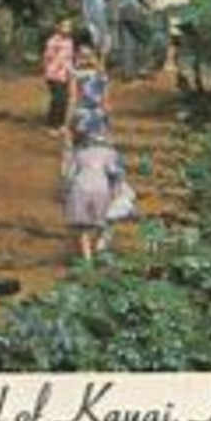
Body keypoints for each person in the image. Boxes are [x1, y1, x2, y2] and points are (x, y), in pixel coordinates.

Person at [61, 134, 125, 264]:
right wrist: (116, 189)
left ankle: (87, 260)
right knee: (103, 223)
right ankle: (100, 249)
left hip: (80, 188)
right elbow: (115, 173)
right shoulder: (110, 153)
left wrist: (65, 191)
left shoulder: (79, 153)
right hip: (101, 188)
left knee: (82, 227)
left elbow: (69, 175)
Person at [112, 0, 154, 81]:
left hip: (122, 12)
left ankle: (127, 74)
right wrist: (152, 6)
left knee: (127, 43)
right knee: (147, 38)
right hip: (134, 11)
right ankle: (143, 70)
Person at [64, 43, 113, 144]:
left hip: (85, 115)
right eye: (83, 56)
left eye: (87, 56)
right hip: (93, 115)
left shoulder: (76, 75)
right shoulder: (101, 76)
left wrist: (67, 124)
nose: (85, 60)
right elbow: (106, 103)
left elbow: (72, 99)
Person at [40, 19, 76, 130]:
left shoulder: (70, 41)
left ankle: (60, 123)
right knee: (58, 99)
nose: (67, 29)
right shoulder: (53, 41)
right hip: (54, 75)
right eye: (64, 26)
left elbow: (70, 58)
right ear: (58, 27)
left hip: (65, 74)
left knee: (64, 99)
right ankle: (52, 124)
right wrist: (46, 72)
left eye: (69, 26)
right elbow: (47, 58)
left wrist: (71, 71)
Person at [79, 0, 114, 67]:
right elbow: (84, 3)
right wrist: (86, 19)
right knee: (94, 42)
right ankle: (94, 65)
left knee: (106, 42)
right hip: (92, 17)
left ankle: (102, 65)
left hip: (104, 17)